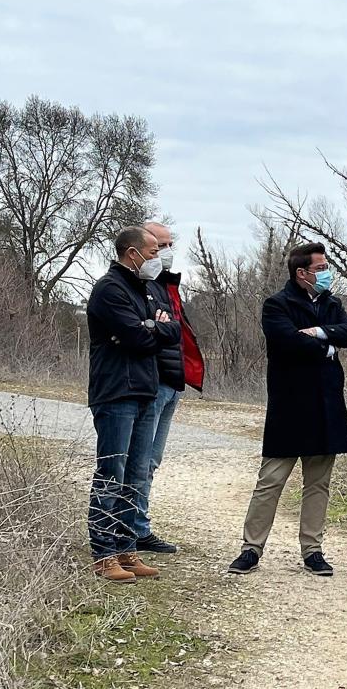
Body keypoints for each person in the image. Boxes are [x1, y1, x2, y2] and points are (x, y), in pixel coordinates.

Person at [228, 242, 347, 576]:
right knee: (270, 481)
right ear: (301, 273)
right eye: (321, 268)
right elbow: (286, 340)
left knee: (318, 484)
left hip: (326, 404)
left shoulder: (332, 303)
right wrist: (327, 348)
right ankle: (251, 549)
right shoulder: (277, 304)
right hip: (289, 406)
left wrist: (319, 332)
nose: (327, 273)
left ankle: (313, 551)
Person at [87, 226, 180, 583]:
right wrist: (151, 328)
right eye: (154, 251)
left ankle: (127, 549)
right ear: (132, 253)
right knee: (112, 472)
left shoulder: (144, 288)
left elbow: (171, 331)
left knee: (136, 475)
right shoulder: (109, 289)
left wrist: (151, 327)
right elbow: (137, 338)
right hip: (116, 392)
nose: (159, 257)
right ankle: (104, 554)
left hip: (145, 390)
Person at [134, 221, 205, 555]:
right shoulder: (139, 285)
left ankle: (138, 527)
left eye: (169, 245)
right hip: (152, 382)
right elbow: (148, 331)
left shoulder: (167, 285)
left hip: (173, 383)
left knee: (152, 460)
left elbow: (174, 330)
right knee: (139, 461)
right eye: (159, 246)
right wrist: (162, 329)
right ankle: (132, 528)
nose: (166, 252)